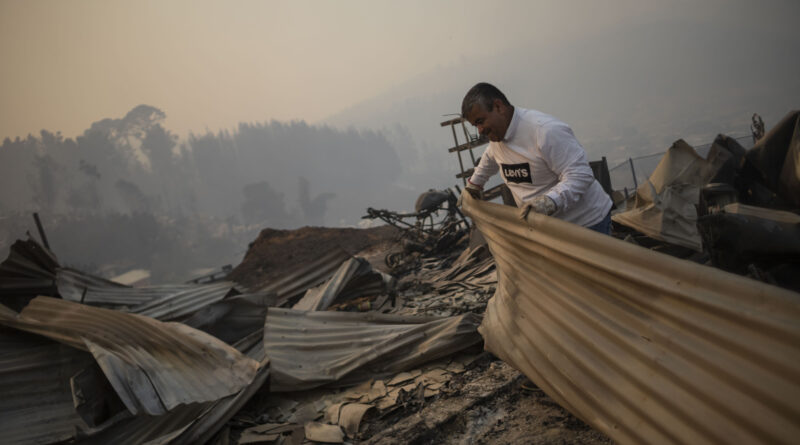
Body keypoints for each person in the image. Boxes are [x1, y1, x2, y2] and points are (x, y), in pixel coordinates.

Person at [462, 82, 613, 234]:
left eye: (481, 121)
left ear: (498, 107)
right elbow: (490, 157)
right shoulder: (497, 137)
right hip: (547, 230)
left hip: (587, 225)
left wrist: (549, 202)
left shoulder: (545, 131)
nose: (480, 130)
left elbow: (580, 175)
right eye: (475, 125)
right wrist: (474, 184)